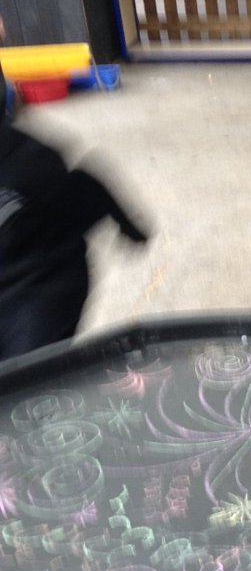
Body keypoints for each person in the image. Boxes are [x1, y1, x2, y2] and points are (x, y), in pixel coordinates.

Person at [0, 62, 150, 363]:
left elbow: (83, 188)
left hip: (37, 288)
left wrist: (128, 224)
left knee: (28, 371)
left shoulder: (27, 161)